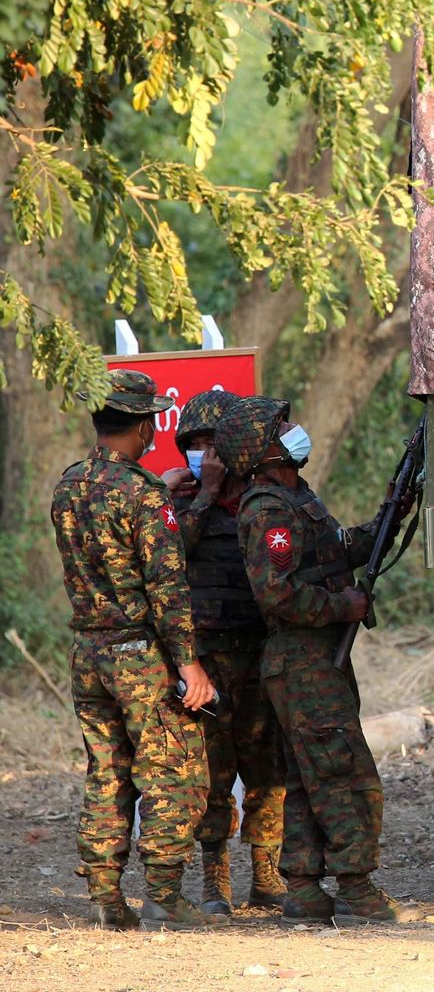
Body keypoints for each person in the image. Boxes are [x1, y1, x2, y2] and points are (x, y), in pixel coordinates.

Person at [213, 396, 418, 926]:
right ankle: (356, 885)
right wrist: (340, 604)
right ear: (262, 449)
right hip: (301, 660)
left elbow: (336, 549)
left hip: (317, 659)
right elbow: (275, 594)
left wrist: (391, 515)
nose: (292, 430)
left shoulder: (296, 496)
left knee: (307, 777)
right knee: (345, 773)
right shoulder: (268, 509)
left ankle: (302, 887)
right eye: (280, 426)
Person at [49, 369, 224, 930]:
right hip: (140, 657)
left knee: (107, 770)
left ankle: (105, 898)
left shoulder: (70, 485)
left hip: (88, 653)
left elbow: (104, 549)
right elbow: (166, 586)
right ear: (144, 425)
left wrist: (163, 500)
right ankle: (166, 898)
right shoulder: (143, 494)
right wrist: (189, 664)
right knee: (174, 770)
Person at [162, 390, 287, 914]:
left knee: (268, 770)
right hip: (205, 661)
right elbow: (167, 560)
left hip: (260, 654)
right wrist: (201, 495)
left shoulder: (266, 498)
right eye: (194, 444)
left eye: (214, 443)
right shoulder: (177, 503)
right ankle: (215, 881)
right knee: (210, 775)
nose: (204, 454)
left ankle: (268, 875)